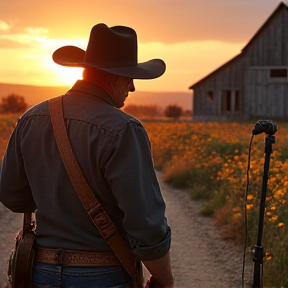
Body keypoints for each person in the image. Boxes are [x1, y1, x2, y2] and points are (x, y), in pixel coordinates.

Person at [0, 23, 174, 288]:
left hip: (40, 273)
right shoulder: (125, 129)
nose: (133, 86)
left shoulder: (30, 119)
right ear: (111, 76)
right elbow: (145, 225)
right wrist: (165, 279)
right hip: (105, 276)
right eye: (129, 76)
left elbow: (13, 196)